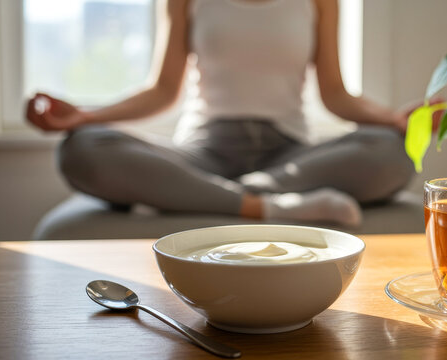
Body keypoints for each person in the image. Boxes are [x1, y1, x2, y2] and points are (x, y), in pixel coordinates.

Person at [25, 0, 419, 228]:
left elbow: (336, 95)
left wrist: (394, 120)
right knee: (82, 148)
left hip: (288, 157)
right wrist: (85, 118)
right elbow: (162, 92)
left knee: (391, 151)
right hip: (202, 154)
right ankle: (264, 206)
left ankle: (192, 195)